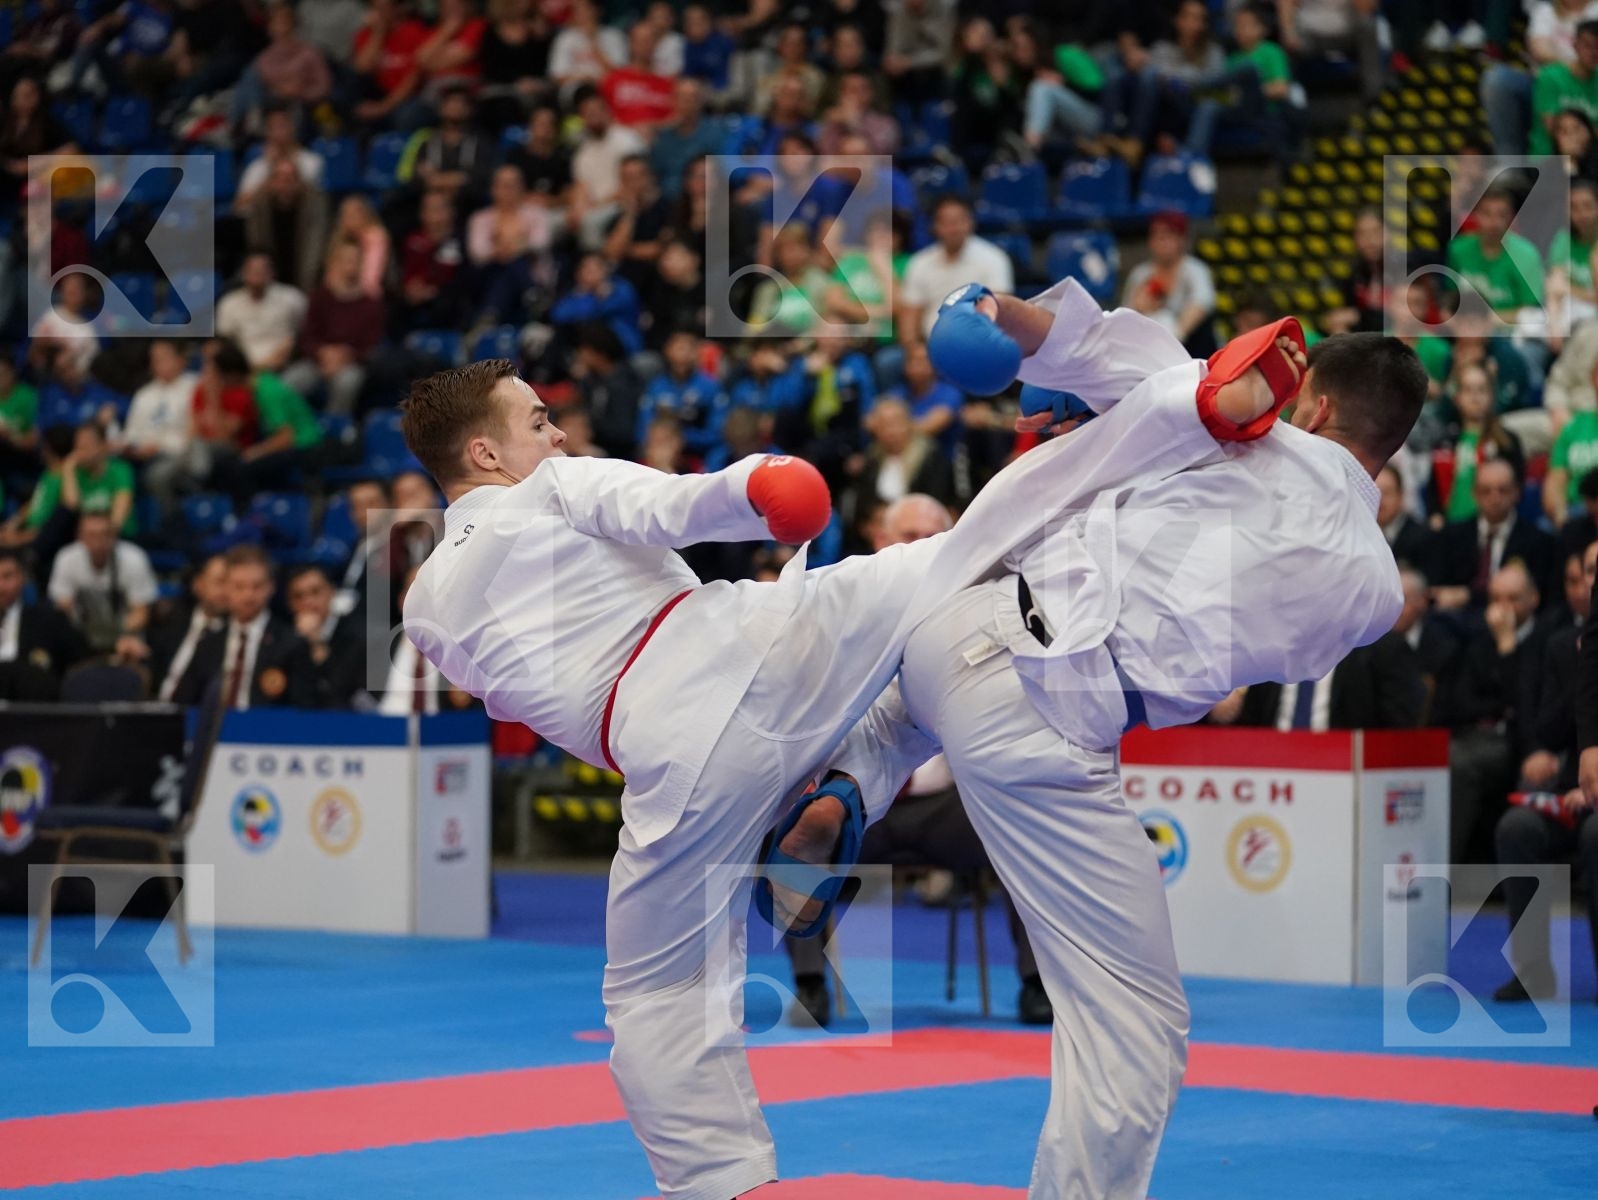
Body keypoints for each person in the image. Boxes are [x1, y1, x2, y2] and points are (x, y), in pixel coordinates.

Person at [769, 279, 1429, 1200]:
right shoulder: (1375, 589)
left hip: (959, 613)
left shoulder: (1223, 411)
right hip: (1049, 704)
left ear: (1308, 400)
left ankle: (848, 784)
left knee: (925, 705)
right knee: (1137, 1021)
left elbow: (1086, 345)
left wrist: (994, 309)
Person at [398, 358, 950, 1200]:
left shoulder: (424, 604)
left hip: (665, 765)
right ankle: (849, 785)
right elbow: (671, 504)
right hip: (746, 649)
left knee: (656, 994)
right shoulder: (552, 486)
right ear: (485, 453)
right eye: (540, 420)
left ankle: (721, 1184)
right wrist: (759, 481)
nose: (557, 433)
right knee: (958, 577)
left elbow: (504, 688)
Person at [779, 493, 1052, 1028]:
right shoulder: (833, 610)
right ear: (880, 541)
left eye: (933, 537)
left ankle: (1035, 984)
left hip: (951, 806)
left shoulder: (988, 612)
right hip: (855, 802)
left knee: (1027, 821)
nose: (920, 548)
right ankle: (810, 984)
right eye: (908, 537)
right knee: (796, 819)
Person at [171, 544, 317, 709]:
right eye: (239, 586)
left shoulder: (290, 645)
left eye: (257, 586)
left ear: (271, 587)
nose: (248, 595)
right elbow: (183, 702)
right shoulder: (208, 644)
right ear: (226, 588)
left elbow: (304, 709)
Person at [47, 511, 158, 660]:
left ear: (114, 536)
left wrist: (110, 639)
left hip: (124, 638)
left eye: (104, 534)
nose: (98, 541)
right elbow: (63, 609)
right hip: (81, 638)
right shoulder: (66, 558)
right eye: (91, 534)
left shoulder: (134, 558)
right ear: (80, 536)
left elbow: (141, 614)